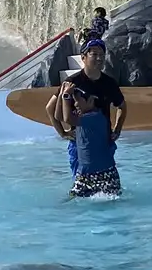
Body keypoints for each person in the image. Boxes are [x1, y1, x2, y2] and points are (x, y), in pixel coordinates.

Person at [51, 38, 127, 179]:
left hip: (103, 140)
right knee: (81, 181)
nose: (99, 58)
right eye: (94, 54)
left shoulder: (109, 83)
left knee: (104, 178)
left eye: (102, 55)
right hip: (80, 142)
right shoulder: (72, 82)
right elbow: (51, 108)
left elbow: (122, 106)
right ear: (83, 57)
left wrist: (117, 130)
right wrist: (62, 133)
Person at [69, 87, 122, 198]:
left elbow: (67, 118)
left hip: (102, 173)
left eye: (78, 101)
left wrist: (65, 96)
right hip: (86, 173)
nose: (75, 105)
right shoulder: (84, 116)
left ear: (91, 100)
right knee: (72, 198)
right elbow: (56, 114)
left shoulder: (93, 117)